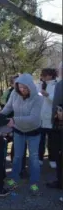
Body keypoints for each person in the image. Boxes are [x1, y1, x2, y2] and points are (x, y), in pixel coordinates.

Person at [0, 73, 43, 195]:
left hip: (34, 131)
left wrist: (15, 120)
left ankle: (34, 183)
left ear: (31, 86)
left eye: (25, 88)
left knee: (34, 158)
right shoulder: (14, 93)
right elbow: (8, 108)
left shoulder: (38, 98)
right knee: (17, 157)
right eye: (20, 87)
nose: (22, 90)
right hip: (18, 130)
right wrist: (0, 115)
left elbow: (34, 118)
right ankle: (14, 180)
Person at [47, 61, 63, 192]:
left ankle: (60, 181)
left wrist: (54, 119)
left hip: (60, 125)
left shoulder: (60, 85)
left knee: (60, 154)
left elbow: (56, 104)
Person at [38, 68, 58, 168]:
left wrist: (48, 95)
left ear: (50, 75)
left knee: (52, 141)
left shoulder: (56, 84)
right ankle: (39, 159)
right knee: (39, 140)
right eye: (42, 75)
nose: (42, 77)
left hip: (51, 118)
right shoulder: (40, 84)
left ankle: (52, 159)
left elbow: (57, 99)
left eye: (44, 75)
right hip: (40, 118)